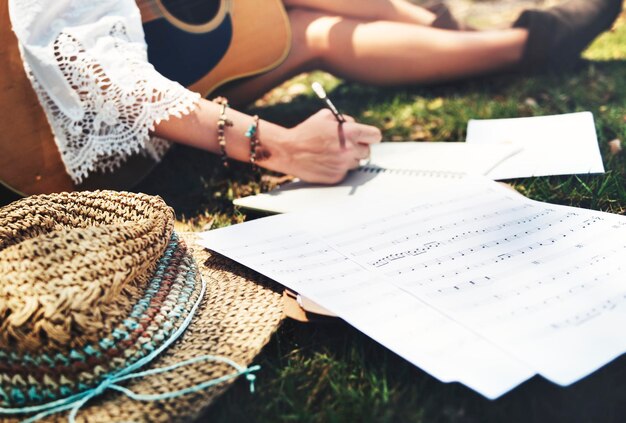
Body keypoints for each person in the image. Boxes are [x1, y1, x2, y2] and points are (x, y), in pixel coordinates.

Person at [7, 0, 622, 190]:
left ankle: (517, 43)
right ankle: (486, 33)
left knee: (304, 32)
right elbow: (93, 67)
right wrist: (277, 145)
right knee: (307, 32)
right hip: (48, 118)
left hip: (162, 45)